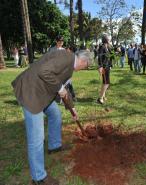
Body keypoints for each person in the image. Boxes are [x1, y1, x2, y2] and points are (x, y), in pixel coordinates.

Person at [11, 50, 92, 185]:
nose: (84, 68)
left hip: (43, 93)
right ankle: (38, 177)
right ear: (83, 61)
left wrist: (71, 107)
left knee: (55, 114)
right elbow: (44, 71)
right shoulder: (65, 58)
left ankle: (54, 146)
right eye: (86, 66)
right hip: (32, 93)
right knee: (36, 137)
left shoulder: (69, 64)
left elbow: (63, 90)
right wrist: (60, 88)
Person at [50, 36, 76, 102]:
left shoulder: (63, 50)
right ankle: (57, 97)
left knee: (68, 81)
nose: (61, 42)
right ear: (56, 41)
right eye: (60, 41)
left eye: (62, 41)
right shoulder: (52, 50)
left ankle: (72, 96)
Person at [97, 34, 112, 104]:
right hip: (103, 67)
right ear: (105, 39)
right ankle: (100, 98)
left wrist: (111, 65)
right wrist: (100, 67)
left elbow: (109, 57)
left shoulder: (108, 47)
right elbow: (99, 57)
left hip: (107, 66)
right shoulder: (102, 47)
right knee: (106, 82)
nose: (109, 40)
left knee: (105, 82)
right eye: (108, 39)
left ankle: (103, 96)